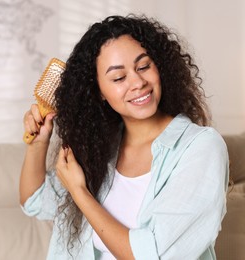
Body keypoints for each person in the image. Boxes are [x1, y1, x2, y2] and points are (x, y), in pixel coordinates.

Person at [20, 14, 229, 260]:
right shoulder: (99, 149)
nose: (138, 82)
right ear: (99, 92)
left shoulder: (201, 147)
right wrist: (38, 144)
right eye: (119, 78)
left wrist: (80, 193)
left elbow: (153, 254)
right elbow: (35, 201)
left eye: (144, 66)